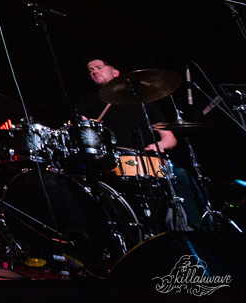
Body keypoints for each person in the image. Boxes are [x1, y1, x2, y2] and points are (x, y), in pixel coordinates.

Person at [76, 57, 205, 230]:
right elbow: (81, 133)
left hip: (148, 161)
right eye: (91, 70)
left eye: (99, 67)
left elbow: (170, 138)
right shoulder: (87, 103)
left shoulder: (143, 101)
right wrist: (89, 128)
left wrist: (158, 146)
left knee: (180, 175)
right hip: (111, 163)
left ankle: (197, 232)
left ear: (115, 72)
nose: (94, 72)